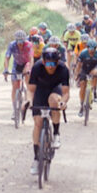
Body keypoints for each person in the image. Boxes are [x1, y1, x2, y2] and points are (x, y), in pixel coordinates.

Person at [28, 47, 70, 175]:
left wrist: (63, 102)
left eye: (53, 64)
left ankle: (56, 133)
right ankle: (36, 158)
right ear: (44, 62)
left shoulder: (63, 69)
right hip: (40, 90)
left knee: (53, 100)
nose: (50, 67)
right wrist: (29, 102)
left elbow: (66, 93)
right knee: (38, 123)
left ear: (57, 62)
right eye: (48, 63)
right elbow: (31, 90)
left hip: (55, 90)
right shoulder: (37, 67)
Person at [3, 30, 34, 119]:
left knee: (27, 77)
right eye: (18, 41)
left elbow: (31, 58)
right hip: (17, 64)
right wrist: (5, 69)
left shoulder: (28, 45)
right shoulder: (12, 45)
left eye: (22, 41)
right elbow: (7, 58)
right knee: (15, 86)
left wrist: (30, 69)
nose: (20, 44)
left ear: (24, 40)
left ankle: (29, 99)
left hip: (26, 63)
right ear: (16, 40)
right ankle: (15, 110)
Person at [74, 40, 97, 111]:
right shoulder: (83, 53)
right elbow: (78, 65)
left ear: (95, 48)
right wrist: (76, 74)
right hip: (85, 68)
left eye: (93, 49)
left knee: (94, 74)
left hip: (94, 67)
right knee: (82, 85)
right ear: (87, 48)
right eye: (90, 49)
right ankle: (81, 104)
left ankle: (94, 90)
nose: (91, 51)